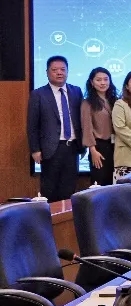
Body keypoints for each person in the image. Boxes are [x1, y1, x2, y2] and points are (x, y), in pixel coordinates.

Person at [27, 55, 84, 201]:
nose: (59, 72)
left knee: (69, 188)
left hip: (72, 147)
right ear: (47, 72)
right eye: (55, 70)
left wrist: (83, 145)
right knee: (50, 189)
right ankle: (51, 215)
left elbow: (81, 120)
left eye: (63, 69)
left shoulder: (76, 91)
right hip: (51, 149)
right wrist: (35, 149)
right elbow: (32, 125)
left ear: (67, 71)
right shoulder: (38, 94)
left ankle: (65, 215)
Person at [81, 67, 118, 186]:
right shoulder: (87, 103)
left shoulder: (115, 100)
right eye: (98, 80)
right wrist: (93, 150)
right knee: (100, 183)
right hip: (99, 147)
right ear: (92, 82)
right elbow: (87, 128)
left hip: (117, 147)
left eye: (106, 79)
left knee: (115, 183)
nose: (103, 83)